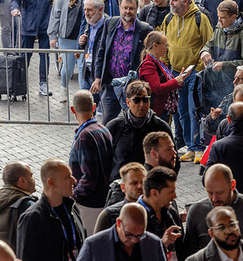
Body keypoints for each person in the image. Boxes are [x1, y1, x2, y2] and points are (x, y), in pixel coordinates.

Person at [159, 0, 213, 160]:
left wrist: (197, 69)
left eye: (174, 0)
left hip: (194, 73)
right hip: (175, 73)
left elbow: (208, 44)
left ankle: (198, 148)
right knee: (181, 112)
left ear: (186, 1)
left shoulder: (200, 18)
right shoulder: (169, 18)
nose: (171, 3)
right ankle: (190, 147)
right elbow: (165, 46)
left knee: (194, 112)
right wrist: (166, 68)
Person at [91, 0, 152, 122]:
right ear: (120, 8)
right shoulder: (110, 23)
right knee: (107, 122)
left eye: (131, 8)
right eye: (125, 8)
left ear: (137, 9)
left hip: (132, 87)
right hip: (111, 84)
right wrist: (98, 78)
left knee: (133, 121)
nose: (127, 11)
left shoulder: (144, 29)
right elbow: (101, 52)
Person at [185, 164, 243, 253]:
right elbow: (188, 253)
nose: (215, 199)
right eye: (210, 193)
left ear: (232, 185)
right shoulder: (196, 211)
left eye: (220, 192)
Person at [17, 159, 85, 261]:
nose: (73, 180)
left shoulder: (72, 208)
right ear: (51, 183)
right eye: (67, 177)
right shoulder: (32, 218)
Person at [105, 80, 179, 180]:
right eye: (137, 100)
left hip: (151, 189)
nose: (142, 104)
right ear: (128, 102)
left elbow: (175, 160)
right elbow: (103, 162)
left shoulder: (160, 127)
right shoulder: (114, 127)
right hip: (121, 189)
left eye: (145, 99)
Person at [68, 90, 114, 235]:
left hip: (89, 205)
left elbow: (89, 176)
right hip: (103, 199)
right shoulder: (103, 129)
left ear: (72, 109)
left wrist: (75, 194)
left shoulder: (84, 136)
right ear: (94, 107)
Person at [11, 0, 58, 96]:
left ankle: (43, 84)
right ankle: (20, 84)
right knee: (26, 55)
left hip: (45, 24)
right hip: (28, 24)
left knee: (45, 55)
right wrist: (14, 9)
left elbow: (56, 0)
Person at [74, 203, 169, 261]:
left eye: (140, 236)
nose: (134, 240)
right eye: (129, 235)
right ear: (118, 223)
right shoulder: (93, 245)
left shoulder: (154, 243)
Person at [199, 0, 243, 100]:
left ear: (233, 17)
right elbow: (211, 44)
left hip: (236, 86)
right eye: (218, 17)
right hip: (218, 84)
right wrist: (205, 51)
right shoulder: (219, 28)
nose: (219, 20)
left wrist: (224, 65)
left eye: (223, 18)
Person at [47, 0, 89, 98]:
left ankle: (83, 96)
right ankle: (64, 88)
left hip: (83, 38)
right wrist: (52, 36)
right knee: (68, 68)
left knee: (83, 67)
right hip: (66, 37)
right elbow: (55, 17)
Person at [0, 162, 37, 249]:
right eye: (31, 175)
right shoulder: (26, 204)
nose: (34, 179)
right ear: (22, 181)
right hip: (14, 260)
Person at [136, 167, 184, 261]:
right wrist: (161, 244)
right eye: (171, 192)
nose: (175, 196)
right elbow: (134, 259)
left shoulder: (171, 212)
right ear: (154, 193)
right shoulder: (134, 218)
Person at [138, 31, 187, 122]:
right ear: (155, 45)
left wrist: (179, 80)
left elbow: (168, 83)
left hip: (165, 112)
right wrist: (176, 81)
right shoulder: (149, 64)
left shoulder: (159, 62)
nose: (167, 48)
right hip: (157, 113)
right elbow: (157, 88)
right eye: (165, 45)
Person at [93, 163, 146, 233]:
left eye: (143, 182)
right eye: (134, 183)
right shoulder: (110, 215)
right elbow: (97, 242)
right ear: (123, 187)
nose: (140, 186)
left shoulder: (154, 211)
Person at [77, 0, 108, 98]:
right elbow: (90, 45)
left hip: (103, 78)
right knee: (84, 107)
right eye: (85, 10)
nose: (86, 13)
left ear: (100, 10)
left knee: (105, 111)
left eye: (90, 10)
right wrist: (81, 44)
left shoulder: (108, 25)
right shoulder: (89, 23)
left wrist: (99, 78)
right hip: (89, 74)